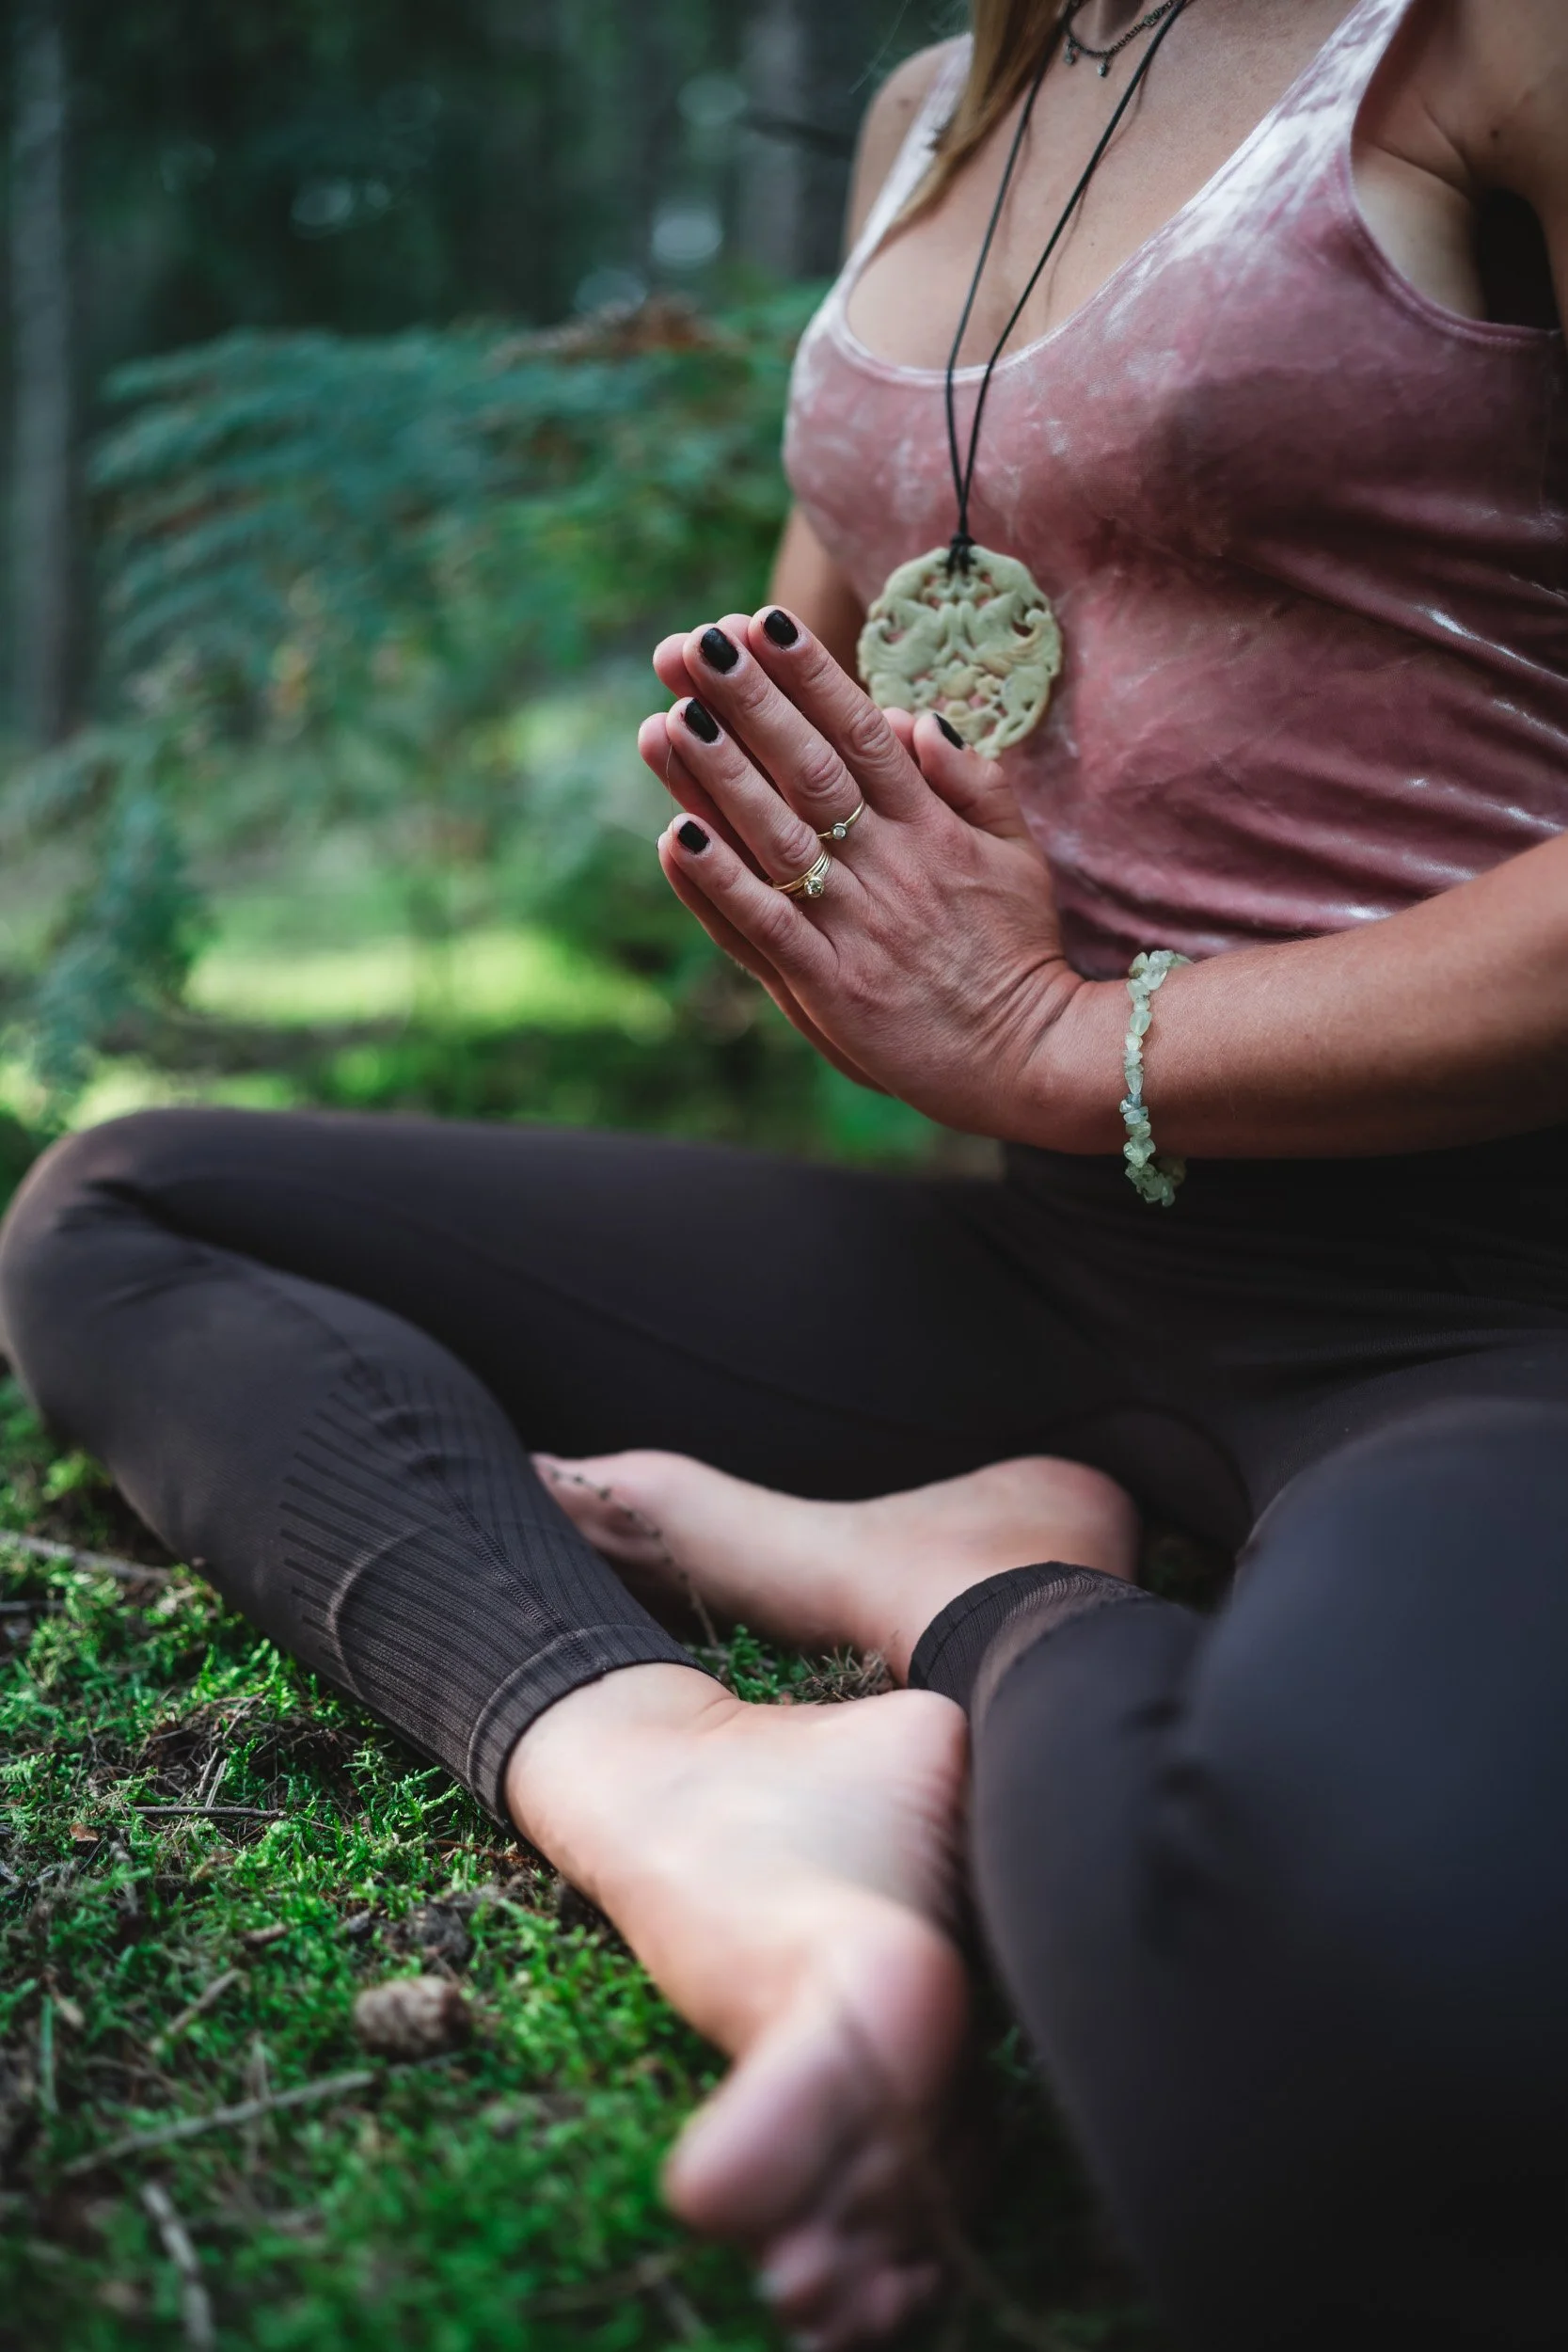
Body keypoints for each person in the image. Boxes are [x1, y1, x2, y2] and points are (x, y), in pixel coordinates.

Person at [3, 0, 1566, 2343]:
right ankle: (692, 1783)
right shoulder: (931, 117)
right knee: (133, 1211)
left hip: (1483, 1301)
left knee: (1311, 2138)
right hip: (1055, 1269)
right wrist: (804, 858)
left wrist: (1056, 1031)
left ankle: (993, 1592)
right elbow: (828, 663)